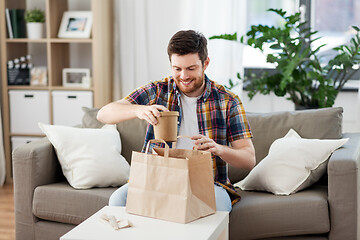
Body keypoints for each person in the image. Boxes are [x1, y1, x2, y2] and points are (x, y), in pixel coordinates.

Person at [97, 30, 256, 212]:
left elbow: (249, 159)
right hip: (155, 179)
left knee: (218, 208)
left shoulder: (228, 101)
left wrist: (218, 149)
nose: (183, 76)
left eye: (191, 69)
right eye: (177, 69)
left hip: (207, 183)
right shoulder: (158, 91)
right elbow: (103, 114)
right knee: (118, 200)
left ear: (205, 64)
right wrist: (138, 110)